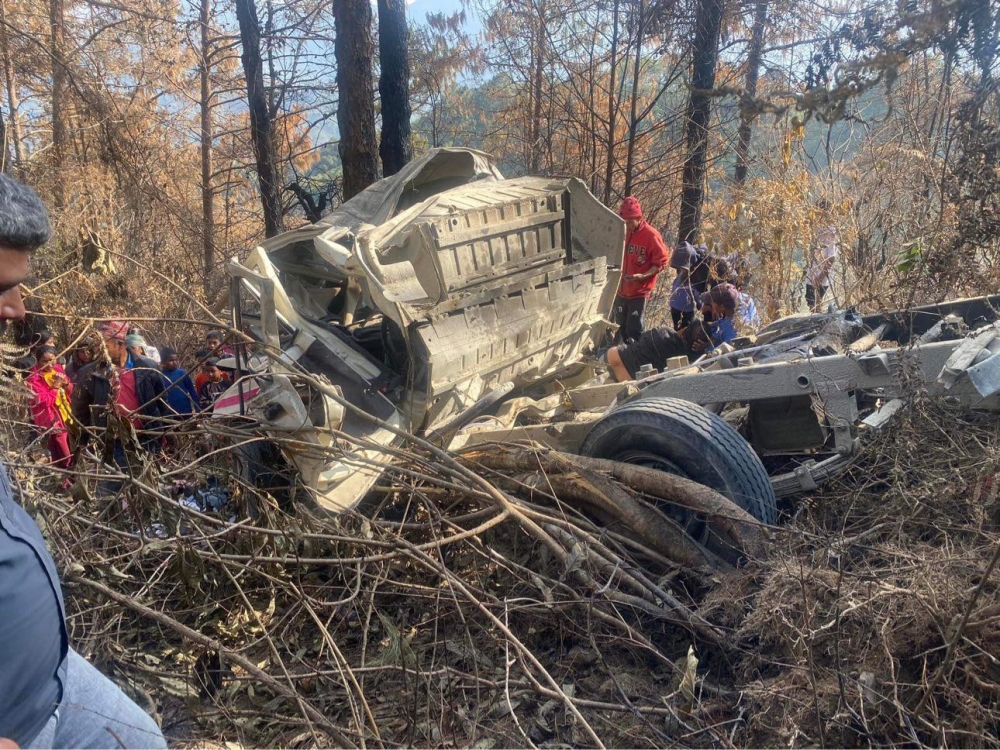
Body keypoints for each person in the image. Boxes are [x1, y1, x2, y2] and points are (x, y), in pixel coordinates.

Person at [0, 174, 166, 748]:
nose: (19, 310)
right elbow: (59, 408)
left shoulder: (138, 373)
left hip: (54, 680)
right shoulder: (72, 379)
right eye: (0, 287)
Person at [606, 283, 740, 381]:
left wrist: (709, 346)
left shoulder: (734, 330)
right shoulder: (734, 307)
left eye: (713, 304)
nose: (711, 307)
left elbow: (727, 352)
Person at [72, 320, 168, 454]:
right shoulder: (90, 373)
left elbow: (161, 402)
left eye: (105, 346)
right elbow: (80, 411)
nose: (99, 351)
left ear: (120, 345)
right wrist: (82, 441)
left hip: (147, 437)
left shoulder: (148, 367)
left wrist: (167, 431)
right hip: (113, 443)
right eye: (97, 346)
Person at [612, 196, 669, 344]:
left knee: (634, 329)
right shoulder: (621, 231)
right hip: (620, 289)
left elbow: (661, 262)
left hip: (639, 291)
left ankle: (637, 358)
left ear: (639, 217)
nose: (628, 225)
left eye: (630, 222)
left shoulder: (651, 235)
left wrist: (643, 276)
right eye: (625, 222)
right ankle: (620, 357)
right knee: (620, 327)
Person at [25, 345, 75, 470]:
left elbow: (70, 389)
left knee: (63, 444)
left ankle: (63, 472)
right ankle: (68, 471)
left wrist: (66, 384)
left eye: (52, 360)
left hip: (64, 414)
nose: (49, 364)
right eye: (44, 361)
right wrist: (56, 385)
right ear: (38, 361)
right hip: (49, 418)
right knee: (58, 445)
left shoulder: (58, 369)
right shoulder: (34, 378)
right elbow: (44, 400)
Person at [805, 200, 838, 312]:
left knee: (816, 307)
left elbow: (832, 257)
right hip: (812, 274)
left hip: (821, 276)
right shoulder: (815, 229)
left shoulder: (830, 230)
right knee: (811, 304)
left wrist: (821, 276)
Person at [160, 347, 200, 418]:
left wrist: (197, 408)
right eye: (171, 360)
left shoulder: (182, 373)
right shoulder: (160, 376)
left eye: (176, 360)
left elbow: (192, 391)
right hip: (170, 413)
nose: (175, 362)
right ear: (163, 362)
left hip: (185, 411)